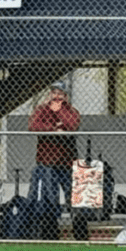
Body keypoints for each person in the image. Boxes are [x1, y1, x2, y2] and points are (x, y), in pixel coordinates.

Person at [28, 81, 80, 209]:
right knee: (51, 197)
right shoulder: (42, 109)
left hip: (67, 162)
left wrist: (59, 110)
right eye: (53, 93)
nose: (56, 97)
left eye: (59, 94)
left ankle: (77, 221)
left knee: (73, 197)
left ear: (65, 96)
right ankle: (52, 222)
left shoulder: (70, 110)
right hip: (47, 162)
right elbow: (33, 126)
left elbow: (72, 125)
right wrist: (52, 129)